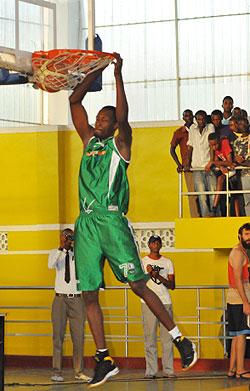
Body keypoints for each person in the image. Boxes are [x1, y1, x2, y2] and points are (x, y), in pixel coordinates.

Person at [69, 53, 197, 388]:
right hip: (85, 223)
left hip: (111, 222)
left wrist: (117, 76)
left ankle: (180, 338)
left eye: (104, 118)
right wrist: (93, 71)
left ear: (114, 126)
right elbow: (74, 100)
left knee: (138, 285)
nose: (98, 120)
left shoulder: (120, 145)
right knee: (88, 294)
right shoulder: (88, 143)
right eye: (97, 116)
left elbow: (124, 116)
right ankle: (104, 358)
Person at [48, 228, 90, 383]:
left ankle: (79, 371)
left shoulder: (79, 254)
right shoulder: (54, 253)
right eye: (65, 237)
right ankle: (56, 371)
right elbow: (51, 265)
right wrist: (61, 248)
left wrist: (76, 245)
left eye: (70, 237)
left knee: (78, 337)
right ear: (60, 238)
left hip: (77, 300)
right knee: (57, 337)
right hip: (59, 299)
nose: (67, 239)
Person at [141, 235, 175, 379]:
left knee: (167, 338)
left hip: (164, 301)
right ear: (149, 245)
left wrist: (158, 276)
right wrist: (149, 274)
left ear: (161, 245)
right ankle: (151, 370)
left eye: (158, 242)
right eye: (153, 242)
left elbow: (172, 285)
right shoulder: (143, 261)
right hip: (148, 302)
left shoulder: (167, 262)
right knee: (150, 338)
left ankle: (169, 370)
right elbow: (138, 283)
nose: (155, 244)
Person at [227, 223, 250, 379]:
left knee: (236, 336)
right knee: (241, 335)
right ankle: (241, 369)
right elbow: (237, 280)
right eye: (247, 234)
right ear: (240, 235)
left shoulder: (242, 252)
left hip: (236, 299)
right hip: (238, 300)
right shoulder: (237, 253)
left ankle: (232, 369)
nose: (249, 238)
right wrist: (246, 302)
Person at [185, 110, 216, 217]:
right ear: (196, 119)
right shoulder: (192, 129)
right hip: (197, 167)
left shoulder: (210, 127)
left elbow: (212, 145)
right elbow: (190, 147)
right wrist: (187, 163)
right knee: (202, 196)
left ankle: (215, 217)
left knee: (213, 193)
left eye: (203, 118)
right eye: (199, 119)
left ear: (205, 119)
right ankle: (206, 218)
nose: (201, 121)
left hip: (209, 166)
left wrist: (211, 161)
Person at [170, 109, 200, 217]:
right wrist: (179, 164)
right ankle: (195, 217)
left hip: (200, 164)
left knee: (203, 192)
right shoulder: (179, 132)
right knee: (192, 194)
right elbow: (172, 149)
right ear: (183, 118)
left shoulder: (198, 129)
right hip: (188, 168)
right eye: (186, 116)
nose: (188, 118)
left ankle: (204, 215)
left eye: (190, 115)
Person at [206, 133, 239, 217]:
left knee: (235, 195)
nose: (214, 147)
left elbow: (230, 161)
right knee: (222, 181)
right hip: (226, 170)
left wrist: (213, 162)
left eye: (215, 144)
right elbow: (217, 160)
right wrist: (220, 166)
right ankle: (214, 208)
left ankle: (214, 208)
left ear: (219, 141)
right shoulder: (214, 148)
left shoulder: (224, 143)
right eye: (211, 145)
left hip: (235, 169)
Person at [234, 118, 250, 216]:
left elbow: (241, 161)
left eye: (245, 124)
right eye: (240, 124)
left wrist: (243, 162)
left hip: (245, 170)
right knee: (247, 201)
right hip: (245, 175)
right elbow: (237, 160)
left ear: (248, 124)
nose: (242, 126)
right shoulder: (237, 142)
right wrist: (245, 163)